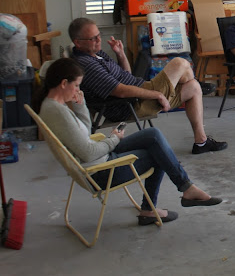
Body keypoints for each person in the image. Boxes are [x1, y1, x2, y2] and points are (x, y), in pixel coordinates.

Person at [33, 58, 222, 226]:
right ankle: (157, 206)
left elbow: (84, 133)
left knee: (153, 135)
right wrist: (113, 139)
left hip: (98, 158)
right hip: (99, 172)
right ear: (64, 83)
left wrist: (80, 106)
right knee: (158, 155)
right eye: (76, 86)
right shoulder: (57, 112)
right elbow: (88, 153)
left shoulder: (53, 105)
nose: (78, 90)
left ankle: (186, 188)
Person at [69, 17, 227, 155]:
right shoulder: (86, 64)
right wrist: (158, 95)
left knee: (193, 87)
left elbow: (127, 75)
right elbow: (120, 91)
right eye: (93, 38)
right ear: (78, 42)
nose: (99, 40)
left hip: (139, 93)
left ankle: (201, 142)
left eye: (99, 35)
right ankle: (192, 82)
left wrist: (120, 54)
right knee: (180, 63)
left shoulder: (96, 53)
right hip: (132, 105)